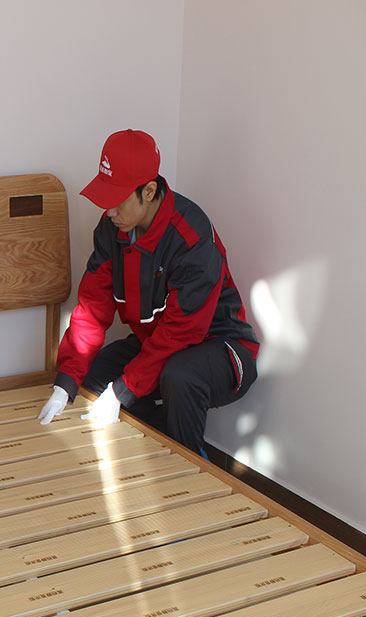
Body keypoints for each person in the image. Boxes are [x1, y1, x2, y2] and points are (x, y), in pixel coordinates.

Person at [38, 130, 259, 454]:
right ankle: (158, 449)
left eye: (118, 200)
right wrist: (65, 384)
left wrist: (123, 391)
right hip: (159, 345)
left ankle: (189, 464)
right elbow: (92, 308)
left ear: (150, 191)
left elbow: (180, 334)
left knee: (179, 375)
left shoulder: (191, 238)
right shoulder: (111, 230)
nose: (110, 211)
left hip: (221, 349)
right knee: (94, 377)